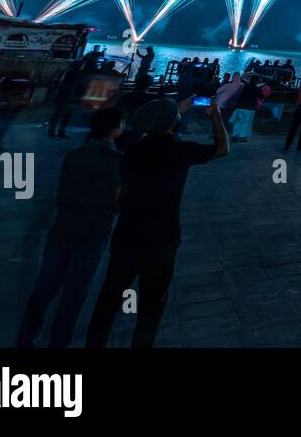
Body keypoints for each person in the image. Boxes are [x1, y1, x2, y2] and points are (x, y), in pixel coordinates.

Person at [85, 97, 229, 348]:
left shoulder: (132, 148)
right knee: (152, 304)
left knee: (109, 297)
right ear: (174, 123)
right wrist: (216, 116)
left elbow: (134, 130)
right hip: (162, 238)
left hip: (127, 234)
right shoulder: (181, 150)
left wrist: (170, 113)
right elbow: (222, 148)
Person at [17, 107, 124, 348]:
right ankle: (59, 343)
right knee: (75, 293)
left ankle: (25, 339)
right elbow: (117, 197)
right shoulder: (116, 160)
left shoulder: (74, 153)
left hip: (63, 226)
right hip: (93, 231)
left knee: (44, 287)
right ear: (116, 129)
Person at [48, 60, 84, 138]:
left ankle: (53, 131)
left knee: (59, 115)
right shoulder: (74, 74)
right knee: (64, 116)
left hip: (65, 97)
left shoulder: (68, 73)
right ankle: (59, 132)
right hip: (68, 98)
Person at [229, 74, 262, 142]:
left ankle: (234, 136)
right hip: (250, 108)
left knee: (238, 122)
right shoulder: (257, 88)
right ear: (257, 81)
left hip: (240, 106)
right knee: (246, 122)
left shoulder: (244, 87)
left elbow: (238, 94)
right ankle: (242, 137)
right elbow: (261, 97)